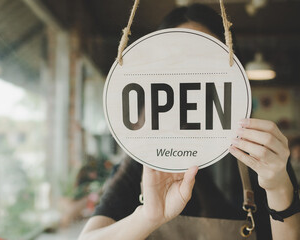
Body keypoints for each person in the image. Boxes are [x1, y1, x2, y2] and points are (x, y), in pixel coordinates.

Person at [79, 4, 300, 240]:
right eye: (178, 60)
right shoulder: (143, 161)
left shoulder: (262, 153)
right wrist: (147, 217)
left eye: (205, 58)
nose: (192, 73)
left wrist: (277, 186)